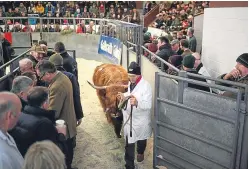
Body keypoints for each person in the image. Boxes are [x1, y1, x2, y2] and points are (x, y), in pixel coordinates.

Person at [36, 60, 77, 169]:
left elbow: (53, 112)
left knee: (65, 153)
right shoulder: (62, 77)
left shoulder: (57, 86)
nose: (41, 79)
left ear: (48, 74)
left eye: (40, 77)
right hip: (67, 121)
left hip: (63, 125)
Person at [118, 62, 152, 169]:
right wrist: (123, 96)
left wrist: (137, 103)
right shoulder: (130, 84)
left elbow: (148, 105)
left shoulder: (146, 86)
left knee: (141, 140)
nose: (131, 78)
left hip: (140, 120)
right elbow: (130, 94)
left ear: (139, 75)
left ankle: (140, 152)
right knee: (129, 144)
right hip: (130, 120)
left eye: (133, 76)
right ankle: (129, 165)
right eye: (129, 75)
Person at [49, 53, 83, 126]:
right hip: (69, 113)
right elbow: (76, 95)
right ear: (62, 63)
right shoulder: (70, 76)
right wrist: (79, 115)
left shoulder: (48, 76)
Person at [0, 92, 23, 169]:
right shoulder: (2, 157)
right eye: (19, 112)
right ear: (9, 116)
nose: (20, 116)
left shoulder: (5, 133)